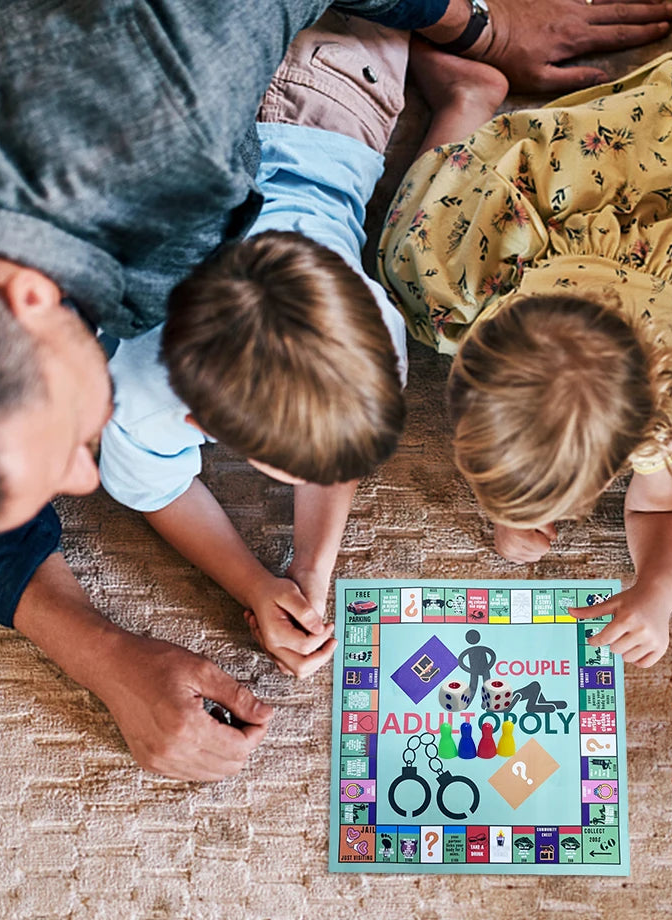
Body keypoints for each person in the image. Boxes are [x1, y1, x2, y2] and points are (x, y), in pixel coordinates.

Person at [0, 0, 672, 781]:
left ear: (21, 295)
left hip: (291, 86)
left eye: (60, 451)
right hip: (329, 119)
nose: (85, 479)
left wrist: (477, 22)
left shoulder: (174, 96)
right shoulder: (167, 341)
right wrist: (109, 650)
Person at [380, 0, 672, 668]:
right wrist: (511, 508)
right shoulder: (486, 293)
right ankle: (467, 101)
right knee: (416, 258)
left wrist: (657, 589)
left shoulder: (664, 412)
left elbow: (659, 513)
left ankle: (470, 98)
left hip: (649, 217)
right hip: (569, 193)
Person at [99, 14, 411, 681]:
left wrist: (311, 566)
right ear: (198, 422)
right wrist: (251, 582)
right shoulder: (136, 387)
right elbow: (153, 490)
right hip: (321, 92)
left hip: (305, 97)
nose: (322, 481)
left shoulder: (375, 337)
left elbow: (334, 440)